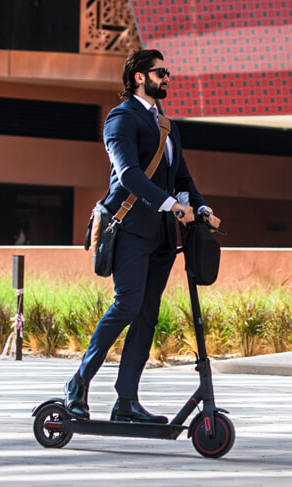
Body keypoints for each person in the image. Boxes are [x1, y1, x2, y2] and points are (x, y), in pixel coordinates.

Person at [64, 49, 222, 424]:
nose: (167, 78)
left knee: (147, 315)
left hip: (164, 238)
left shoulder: (167, 125)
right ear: (139, 77)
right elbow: (130, 174)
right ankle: (78, 383)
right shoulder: (120, 118)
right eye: (160, 72)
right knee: (127, 305)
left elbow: (182, 178)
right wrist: (171, 205)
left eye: (167, 72)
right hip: (132, 229)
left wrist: (200, 208)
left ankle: (126, 402)